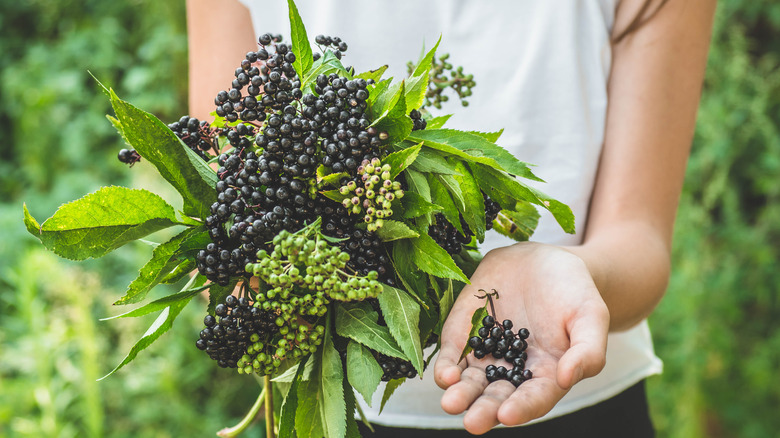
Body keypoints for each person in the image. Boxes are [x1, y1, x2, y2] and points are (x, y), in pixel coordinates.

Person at [187, 0, 716, 435]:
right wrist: (255, 273)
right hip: (338, 412)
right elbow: (225, 180)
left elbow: (639, 238)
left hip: (576, 400)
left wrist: (579, 275)